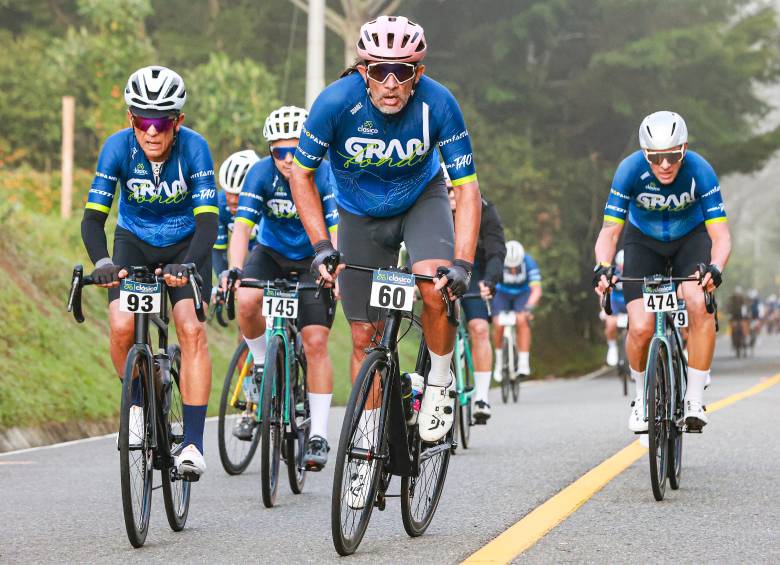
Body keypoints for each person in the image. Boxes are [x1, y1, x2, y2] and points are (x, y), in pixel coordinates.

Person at [290, 15, 482, 453]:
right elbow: (302, 177)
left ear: (419, 74)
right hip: (358, 215)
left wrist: (464, 265)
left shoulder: (440, 104)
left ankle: (438, 379)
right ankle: (367, 443)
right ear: (364, 72)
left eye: (402, 71)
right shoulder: (335, 103)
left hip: (421, 201)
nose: (391, 82)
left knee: (434, 287)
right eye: (380, 70)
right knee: (364, 337)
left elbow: (468, 189)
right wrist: (322, 246)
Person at [81, 65, 217, 478]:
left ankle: (192, 443)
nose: (151, 131)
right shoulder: (117, 149)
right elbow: (92, 219)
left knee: (190, 328)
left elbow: (209, 221)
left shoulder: (194, 149)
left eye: (161, 121)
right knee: (122, 325)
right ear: (131, 121)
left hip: (186, 245)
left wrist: (188, 264)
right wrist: (103, 263)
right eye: (142, 120)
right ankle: (138, 402)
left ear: (178, 122)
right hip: (134, 242)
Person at [593, 110, 731, 432]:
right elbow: (610, 231)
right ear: (645, 154)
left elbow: (720, 234)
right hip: (643, 243)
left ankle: (694, 398)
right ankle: (642, 398)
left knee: (698, 302)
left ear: (683, 149)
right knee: (639, 327)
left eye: (672, 155)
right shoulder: (628, 170)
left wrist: (716, 267)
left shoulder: (701, 171)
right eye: (656, 157)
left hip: (691, 239)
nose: (665, 165)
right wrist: (602, 266)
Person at [225, 106, 339, 471]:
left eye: (295, 150)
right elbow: (242, 228)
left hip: (314, 255)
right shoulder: (260, 174)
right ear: (269, 152)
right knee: (246, 298)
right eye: (279, 152)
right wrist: (234, 269)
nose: (288, 160)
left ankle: (319, 433)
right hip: (272, 253)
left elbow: (337, 229)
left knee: (316, 341)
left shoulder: (323, 173)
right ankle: (261, 366)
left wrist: (335, 269)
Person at [444, 164, 505, 422]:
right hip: (442, 270)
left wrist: (490, 281)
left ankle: (481, 397)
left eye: (455, 190)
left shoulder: (485, 209)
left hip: (476, 270)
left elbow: (496, 250)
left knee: (479, 327)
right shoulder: (432, 210)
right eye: (445, 191)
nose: (451, 196)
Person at [491, 241, 542, 380]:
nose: (513, 270)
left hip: (522, 293)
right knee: (498, 324)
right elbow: (489, 284)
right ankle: (499, 362)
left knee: (522, 320)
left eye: (516, 267)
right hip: (502, 293)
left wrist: (529, 307)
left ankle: (524, 363)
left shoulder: (529, 262)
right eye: (510, 267)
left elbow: (536, 289)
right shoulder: (498, 261)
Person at [212, 149, 260, 279]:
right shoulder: (219, 204)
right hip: (245, 250)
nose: (233, 200)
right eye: (228, 192)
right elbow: (218, 251)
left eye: (239, 194)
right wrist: (225, 288)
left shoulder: (267, 202)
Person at [602, 250, 627, 367]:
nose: (623, 268)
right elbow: (603, 290)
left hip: (630, 303)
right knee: (610, 324)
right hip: (615, 304)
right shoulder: (612, 272)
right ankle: (612, 346)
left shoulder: (637, 270)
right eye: (621, 265)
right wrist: (603, 308)